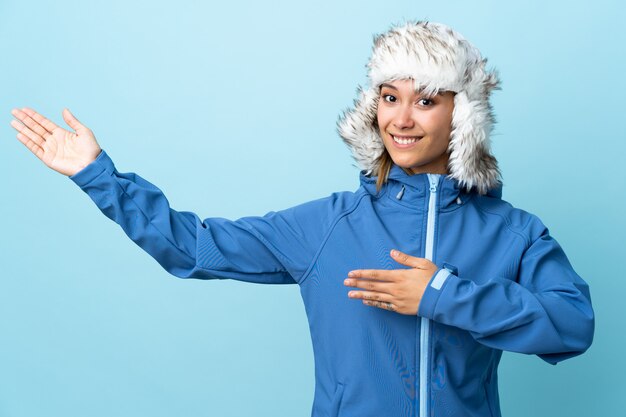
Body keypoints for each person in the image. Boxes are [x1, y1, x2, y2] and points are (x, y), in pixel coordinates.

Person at [9, 20, 594, 417]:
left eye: (425, 99)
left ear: (461, 114)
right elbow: (194, 247)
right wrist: (96, 175)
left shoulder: (513, 232)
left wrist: (441, 294)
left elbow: (573, 327)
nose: (403, 119)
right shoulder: (330, 226)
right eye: (389, 97)